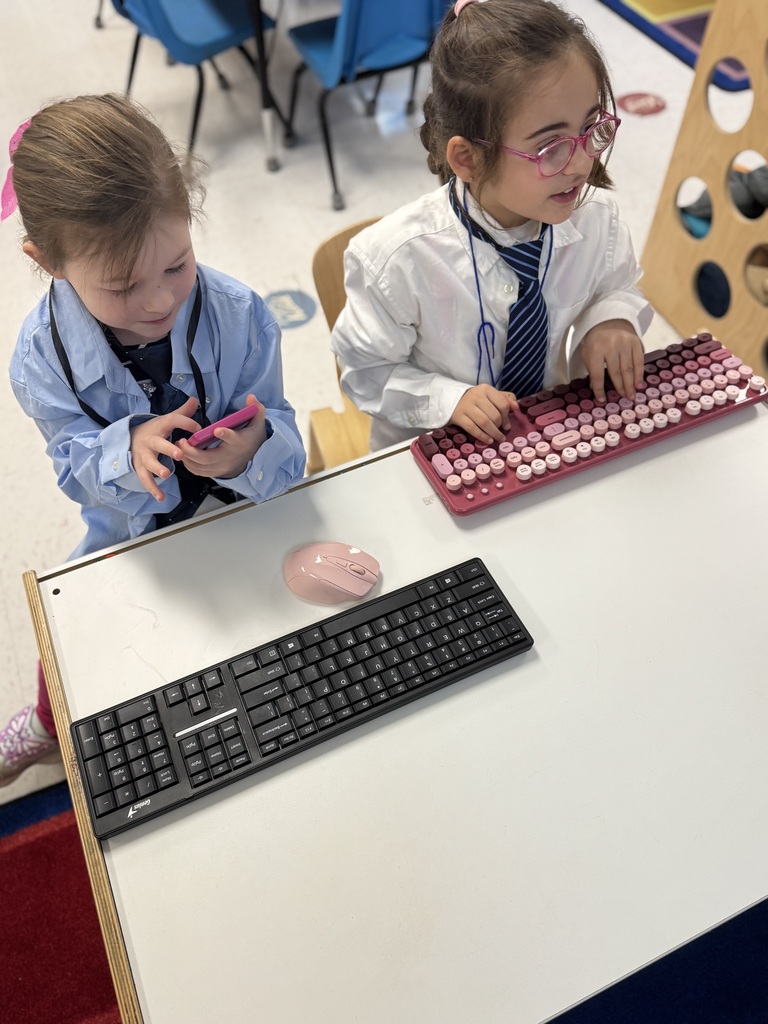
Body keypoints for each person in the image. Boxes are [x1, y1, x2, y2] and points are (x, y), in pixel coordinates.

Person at [0, 93, 306, 785]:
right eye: (122, 286)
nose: (160, 301)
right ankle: (46, 725)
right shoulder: (39, 359)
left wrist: (254, 445)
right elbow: (73, 469)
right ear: (47, 261)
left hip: (239, 517)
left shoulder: (239, 315)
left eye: (177, 264)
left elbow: (285, 430)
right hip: (127, 538)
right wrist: (125, 453)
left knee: (261, 650)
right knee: (71, 645)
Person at [331, 0, 653, 451]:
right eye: (552, 146)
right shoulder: (395, 259)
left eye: (592, 128)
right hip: (437, 455)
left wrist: (611, 319)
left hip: (547, 442)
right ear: (468, 158)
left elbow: (616, 287)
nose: (582, 163)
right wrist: (447, 399)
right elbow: (366, 372)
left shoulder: (599, 219)